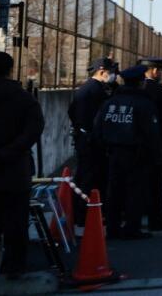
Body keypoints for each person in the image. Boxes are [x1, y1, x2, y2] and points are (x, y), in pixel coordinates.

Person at [0, 51, 44, 278]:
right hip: (13, 170)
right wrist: (9, 151)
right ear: (9, 69)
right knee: (15, 222)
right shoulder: (22, 97)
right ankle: (14, 267)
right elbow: (34, 128)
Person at [92, 64, 162, 240]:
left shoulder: (110, 102)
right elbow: (151, 132)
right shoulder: (144, 104)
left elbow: (97, 128)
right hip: (137, 154)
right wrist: (156, 155)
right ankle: (132, 227)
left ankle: (113, 227)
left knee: (114, 190)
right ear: (140, 82)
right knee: (135, 191)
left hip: (113, 152)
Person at [69, 57, 115, 225]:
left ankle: (80, 214)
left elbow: (71, 111)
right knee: (92, 179)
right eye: (111, 73)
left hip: (83, 139)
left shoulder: (85, 89)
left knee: (83, 177)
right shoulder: (97, 91)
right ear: (102, 72)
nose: (113, 76)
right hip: (93, 142)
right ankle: (86, 215)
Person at [138, 57, 162, 231]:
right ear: (155, 71)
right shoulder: (161, 92)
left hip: (134, 145)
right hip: (157, 143)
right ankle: (155, 219)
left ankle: (136, 213)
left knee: (136, 182)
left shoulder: (131, 91)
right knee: (156, 183)